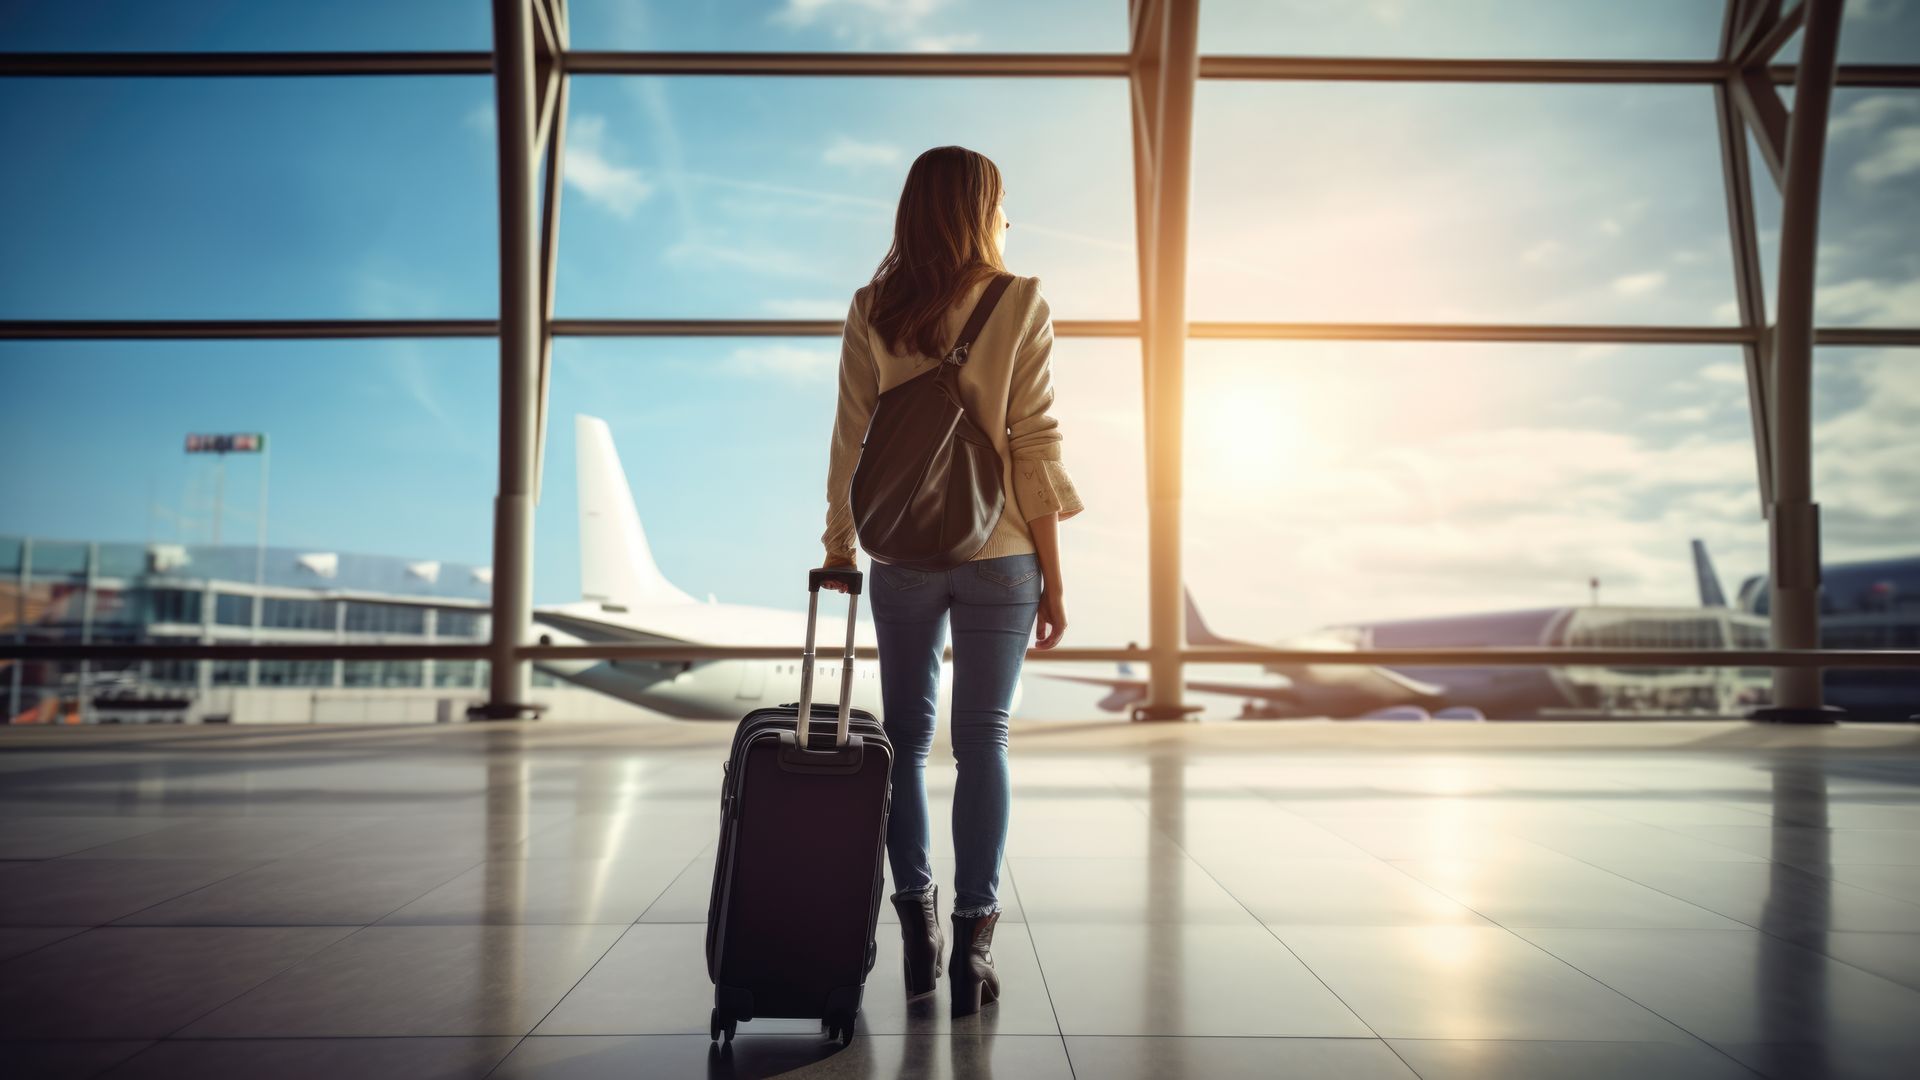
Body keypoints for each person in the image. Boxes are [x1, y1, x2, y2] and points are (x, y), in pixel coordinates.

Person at [815, 145, 1083, 1017]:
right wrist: (1054, 574)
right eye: (1003, 202)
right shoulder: (1020, 301)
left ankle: (918, 934)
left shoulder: (871, 308)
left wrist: (840, 547)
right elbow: (1035, 443)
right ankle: (975, 944)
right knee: (985, 741)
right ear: (981, 208)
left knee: (903, 739)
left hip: (901, 558)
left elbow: (851, 441)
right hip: (1000, 551)